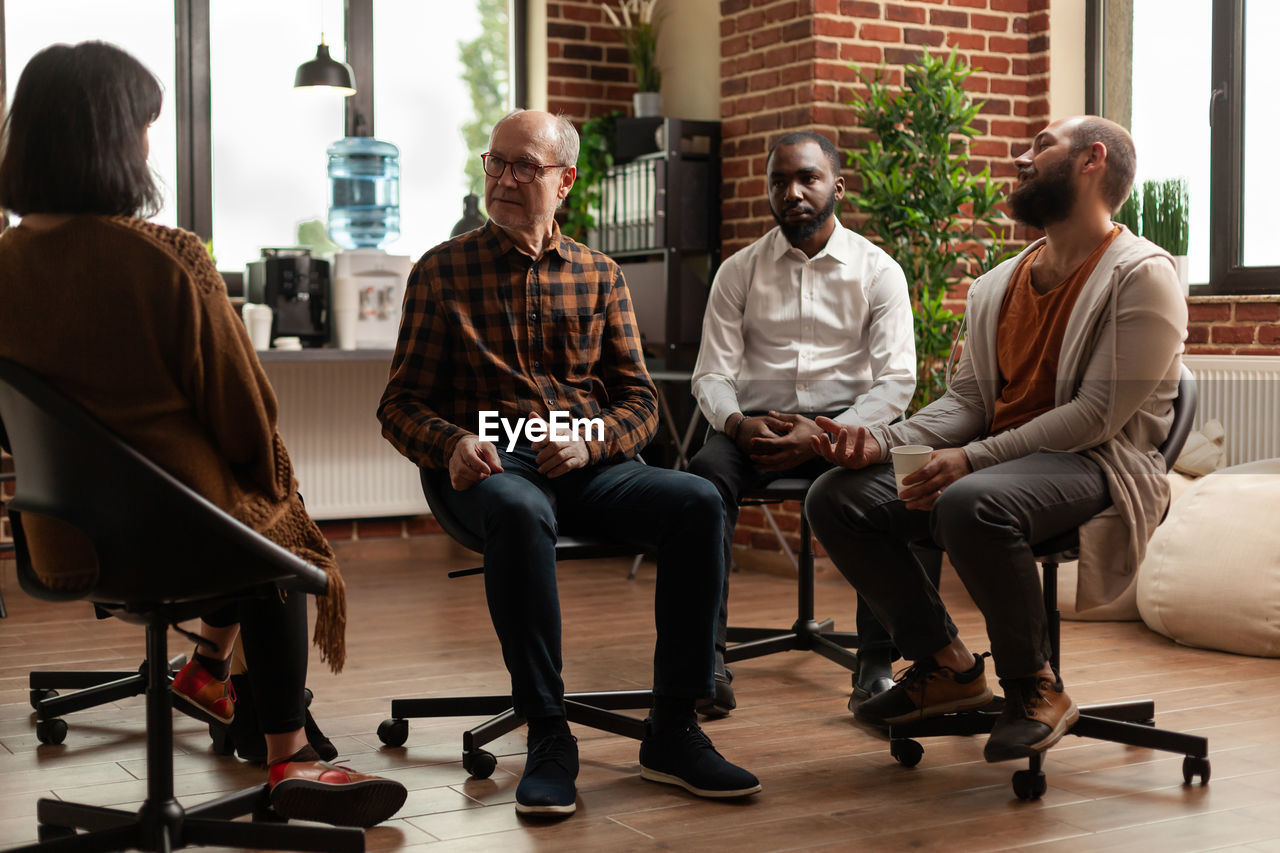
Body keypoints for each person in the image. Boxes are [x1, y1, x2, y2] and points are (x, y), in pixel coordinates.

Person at [0, 41, 406, 827]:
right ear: (112, 140)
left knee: (250, 518)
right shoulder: (170, 258)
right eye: (146, 128)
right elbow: (248, 423)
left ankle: (214, 668)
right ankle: (288, 751)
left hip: (58, 542)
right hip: (186, 540)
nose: (149, 147)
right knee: (276, 528)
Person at [378, 109, 761, 817]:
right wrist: (453, 444)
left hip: (586, 460)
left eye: (526, 166)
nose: (505, 178)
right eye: (497, 162)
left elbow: (641, 402)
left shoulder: (600, 274)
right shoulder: (440, 271)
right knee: (520, 511)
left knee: (698, 500)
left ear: (566, 180)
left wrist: (591, 439)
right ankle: (549, 731)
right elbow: (399, 405)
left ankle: (673, 729)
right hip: (489, 467)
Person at [804, 116, 1187, 762]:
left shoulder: (1142, 275)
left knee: (968, 500)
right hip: (998, 462)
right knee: (838, 496)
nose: (1019, 156)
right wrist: (880, 441)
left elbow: (1095, 416)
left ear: (1093, 160)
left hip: (1096, 462)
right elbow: (970, 402)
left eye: (1041, 145)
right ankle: (947, 663)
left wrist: (970, 460)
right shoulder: (996, 286)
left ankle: (1035, 686)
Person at [688, 131, 917, 716]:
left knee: (878, 487)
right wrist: (737, 425)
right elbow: (710, 375)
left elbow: (896, 382)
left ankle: (874, 660)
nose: (792, 192)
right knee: (702, 483)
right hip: (754, 429)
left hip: (847, 425)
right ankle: (703, 658)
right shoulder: (739, 272)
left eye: (807, 178)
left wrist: (824, 433)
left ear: (836, 186)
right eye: (779, 181)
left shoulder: (877, 271)